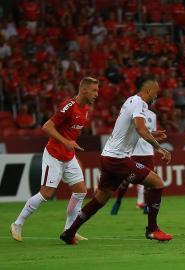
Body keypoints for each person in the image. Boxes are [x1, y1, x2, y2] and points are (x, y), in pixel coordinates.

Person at [60, 76, 172, 244]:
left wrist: (152, 134)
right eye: (156, 91)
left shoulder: (130, 101)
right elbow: (140, 129)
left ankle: (70, 232)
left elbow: (133, 129)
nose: (157, 94)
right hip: (118, 158)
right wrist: (160, 148)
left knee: (101, 198)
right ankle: (152, 230)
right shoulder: (140, 103)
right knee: (157, 183)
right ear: (148, 90)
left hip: (108, 156)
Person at [10, 77, 99, 242]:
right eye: (94, 90)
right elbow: (47, 126)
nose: (97, 94)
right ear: (84, 90)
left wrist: (71, 145)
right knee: (46, 193)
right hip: (54, 154)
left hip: (69, 156)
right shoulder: (68, 106)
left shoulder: (85, 108)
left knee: (80, 191)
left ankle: (69, 230)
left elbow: (69, 133)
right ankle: (17, 223)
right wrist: (66, 142)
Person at [110, 107, 159, 215]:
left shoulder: (152, 115)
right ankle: (118, 201)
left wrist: (156, 136)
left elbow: (152, 132)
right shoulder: (133, 114)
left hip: (148, 152)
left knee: (149, 181)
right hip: (133, 151)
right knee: (126, 180)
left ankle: (147, 205)